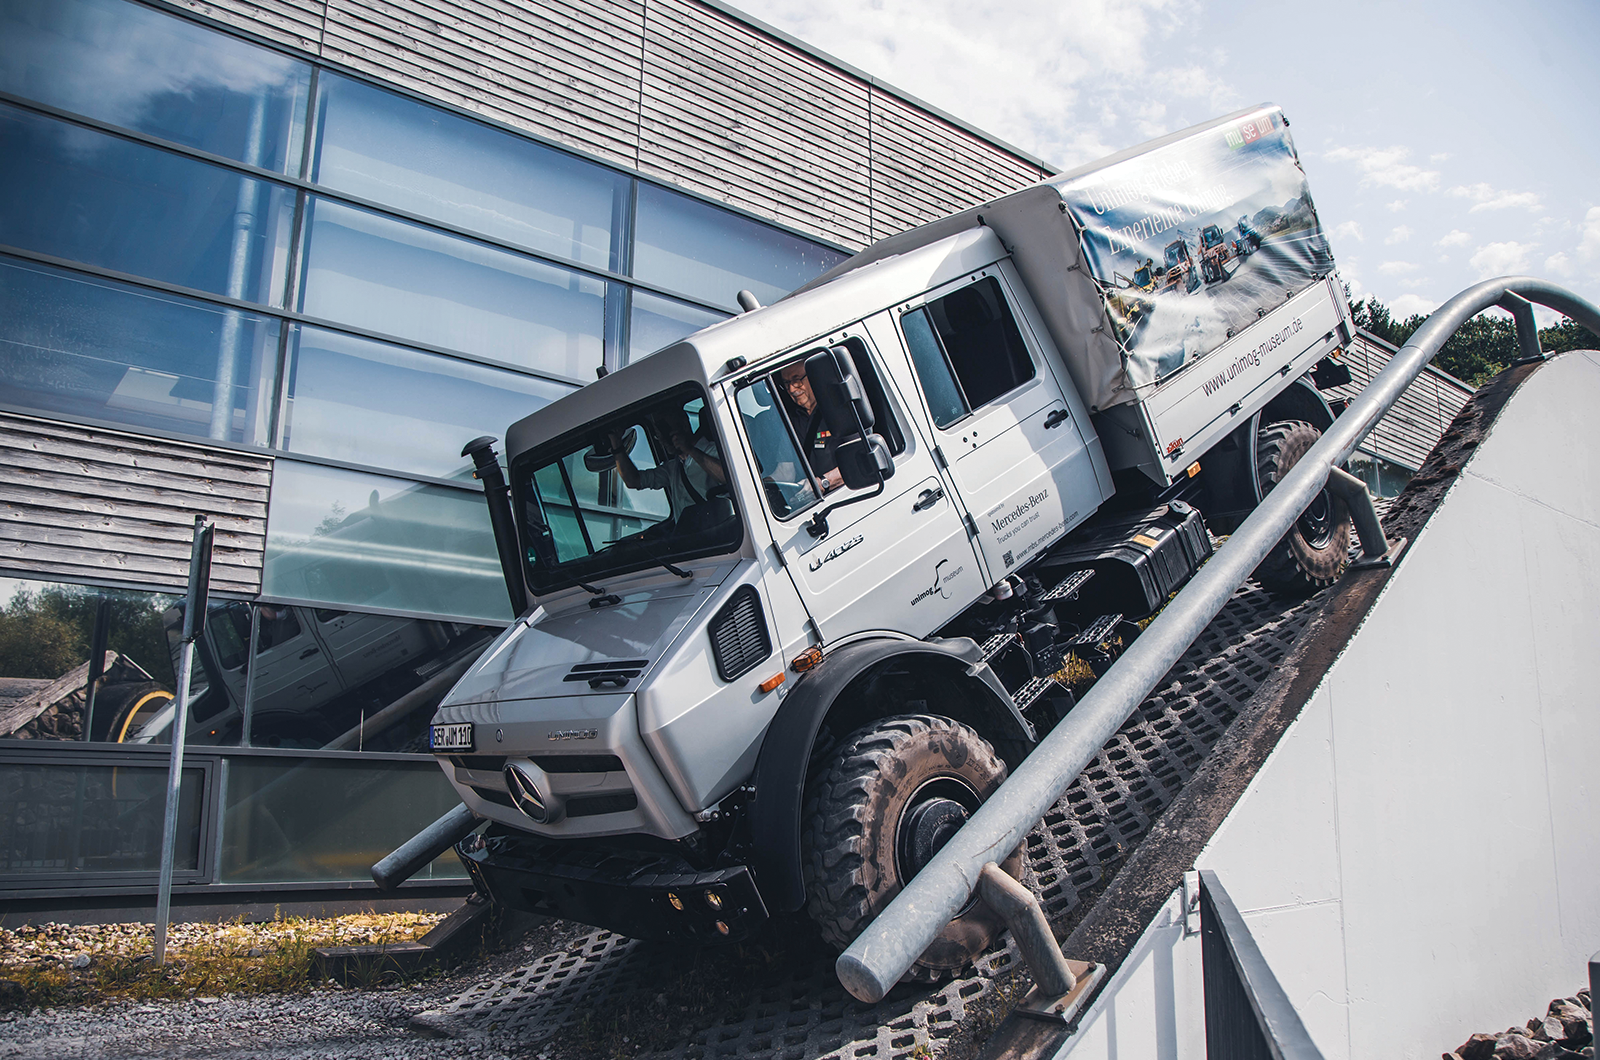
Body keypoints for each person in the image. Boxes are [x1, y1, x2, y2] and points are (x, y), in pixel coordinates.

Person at [611, 407, 725, 516]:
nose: (661, 438)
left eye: (664, 429)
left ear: (684, 425)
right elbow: (634, 481)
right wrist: (617, 445)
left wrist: (690, 450)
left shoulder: (714, 451)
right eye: (657, 433)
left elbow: (727, 476)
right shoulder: (673, 468)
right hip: (690, 533)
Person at [776, 361, 844, 492]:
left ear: (814, 376)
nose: (791, 389)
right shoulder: (790, 421)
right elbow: (785, 472)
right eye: (786, 383)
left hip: (846, 494)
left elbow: (861, 458)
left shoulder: (841, 410)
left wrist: (822, 483)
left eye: (797, 380)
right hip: (812, 503)